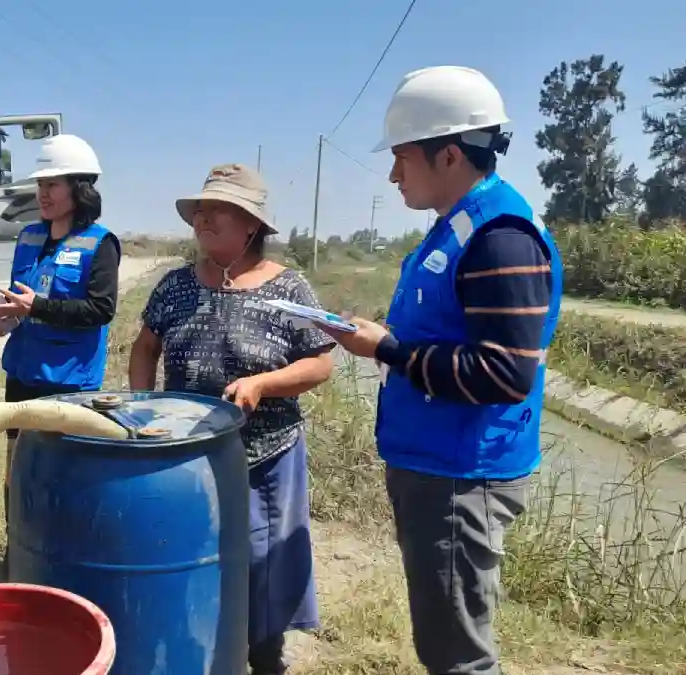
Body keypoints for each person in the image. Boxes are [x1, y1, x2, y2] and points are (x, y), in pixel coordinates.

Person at [317, 66, 563, 675]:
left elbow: (504, 373)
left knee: (458, 657)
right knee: (444, 640)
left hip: (461, 476)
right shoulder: (455, 230)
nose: (394, 173)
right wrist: (384, 339)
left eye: (402, 158)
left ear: (449, 154)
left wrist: (387, 351)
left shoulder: (499, 238)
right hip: (436, 465)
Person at [129, 164, 335, 675]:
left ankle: (265, 660)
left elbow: (321, 362)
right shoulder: (175, 285)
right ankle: (197, 651)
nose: (202, 218)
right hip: (186, 455)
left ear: (250, 224)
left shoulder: (290, 288)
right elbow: (146, 346)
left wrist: (263, 384)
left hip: (265, 454)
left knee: (261, 566)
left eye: (216, 209)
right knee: (187, 557)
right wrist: (143, 407)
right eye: (200, 209)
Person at [0, 133, 121, 525]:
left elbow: (100, 309)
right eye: (40, 185)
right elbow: (20, 298)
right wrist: (5, 317)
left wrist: (38, 307)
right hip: (23, 375)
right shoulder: (28, 236)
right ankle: (20, 551)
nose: (42, 194)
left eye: (52, 185)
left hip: (69, 381)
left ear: (78, 188)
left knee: (64, 476)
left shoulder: (100, 244)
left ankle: (60, 558)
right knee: (18, 471)